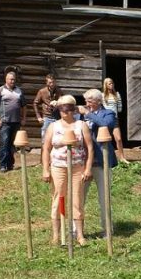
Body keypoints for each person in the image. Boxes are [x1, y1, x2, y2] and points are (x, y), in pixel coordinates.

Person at [42, 95, 93, 247]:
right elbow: (46, 148)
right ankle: (57, 235)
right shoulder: (53, 126)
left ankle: (80, 235)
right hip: (58, 167)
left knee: (77, 200)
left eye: (69, 109)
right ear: (59, 110)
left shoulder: (81, 125)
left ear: (74, 110)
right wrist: (45, 169)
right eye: (63, 109)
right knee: (58, 198)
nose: (66, 112)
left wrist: (88, 168)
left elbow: (89, 148)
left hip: (77, 167)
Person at [81, 88, 127, 238]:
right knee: (79, 196)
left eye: (90, 101)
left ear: (98, 101)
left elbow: (105, 125)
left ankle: (107, 229)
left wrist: (88, 115)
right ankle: (77, 229)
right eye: (86, 101)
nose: (87, 104)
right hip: (84, 162)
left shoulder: (108, 113)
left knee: (104, 197)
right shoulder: (80, 116)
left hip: (102, 161)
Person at [0, 70, 27, 173]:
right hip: (5, 122)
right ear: (6, 79)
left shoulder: (19, 91)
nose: (12, 81)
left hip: (16, 122)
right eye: (11, 79)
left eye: (14, 79)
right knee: (4, 144)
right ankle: (2, 165)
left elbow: (24, 106)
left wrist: (24, 118)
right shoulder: (0, 90)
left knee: (12, 144)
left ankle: (10, 164)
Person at [34, 74, 61, 140]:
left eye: (53, 82)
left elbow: (62, 102)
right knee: (45, 139)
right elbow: (35, 103)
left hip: (57, 118)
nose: (52, 84)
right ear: (46, 83)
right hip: (47, 118)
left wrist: (58, 103)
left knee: (56, 138)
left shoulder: (59, 91)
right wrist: (38, 116)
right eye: (50, 82)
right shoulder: (42, 91)